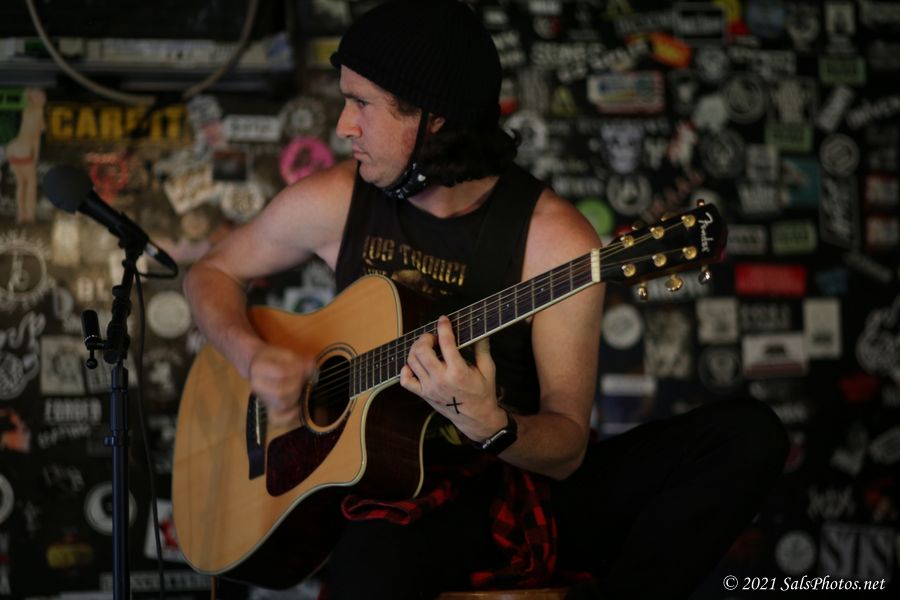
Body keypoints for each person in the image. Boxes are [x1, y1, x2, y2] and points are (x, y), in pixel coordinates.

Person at [182, 1, 789, 598]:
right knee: (376, 557)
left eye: (361, 103)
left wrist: (489, 423)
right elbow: (210, 274)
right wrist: (251, 358)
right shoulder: (338, 199)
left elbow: (566, 451)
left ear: (433, 117)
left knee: (747, 437)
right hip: (393, 501)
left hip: (514, 483)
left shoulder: (555, 241)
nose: (344, 126)